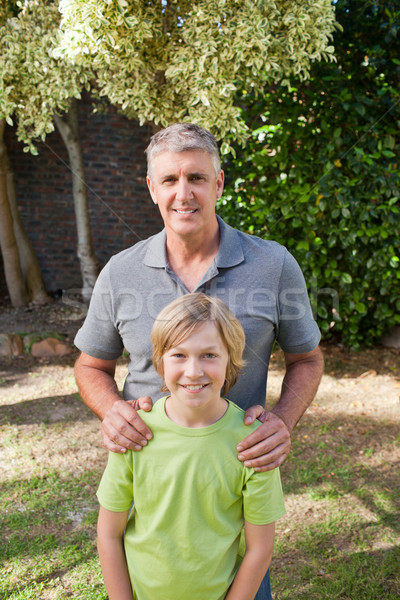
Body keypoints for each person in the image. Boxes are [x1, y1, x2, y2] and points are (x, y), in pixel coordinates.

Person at [74, 122, 324, 599]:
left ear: (219, 183)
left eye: (196, 178)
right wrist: (113, 412)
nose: (183, 193)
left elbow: (307, 359)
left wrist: (282, 422)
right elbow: (90, 366)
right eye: (169, 180)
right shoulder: (119, 272)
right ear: (151, 188)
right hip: (152, 486)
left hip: (233, 485)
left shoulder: (273, 265)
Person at [96, 293, 286, 600]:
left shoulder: (252, 443)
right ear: (160, 361)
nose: (194, 371)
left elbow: (260, 548)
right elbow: (108, 533)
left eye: (209, 355)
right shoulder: (135, 433)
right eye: (179, 355)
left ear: (231, 360)